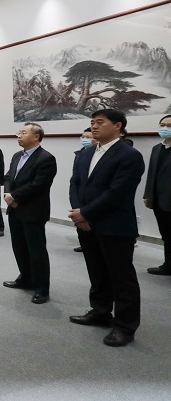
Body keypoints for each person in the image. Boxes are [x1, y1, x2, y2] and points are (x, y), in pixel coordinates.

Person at [69, 109, 145, 347]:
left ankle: (125, 327)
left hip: (114, 225)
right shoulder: (86, 153)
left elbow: (118, 192)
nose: (94, 126)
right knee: (97, 271)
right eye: (92, 122)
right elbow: (75, 182)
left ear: (118, 125)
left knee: (121, 277)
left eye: (100, 122)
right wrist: (79, 213)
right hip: (86, 224)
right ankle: (100, 312)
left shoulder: (129, 155)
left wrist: (86, 213)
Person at [2, 122, 57, 304]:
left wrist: (15, 196)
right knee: (19, 247)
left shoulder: (46, 158)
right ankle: (25, 278)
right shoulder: (17, 155)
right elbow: (8, 177)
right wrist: (8, 194)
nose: (18, 136)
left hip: (33, 210)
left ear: (36, 137)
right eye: (18, 132)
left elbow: (39, 184)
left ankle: (41, 288)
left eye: (23, 133)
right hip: (15, 208)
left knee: (36, 251)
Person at [142, 114, 171, 275]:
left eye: (169, 126)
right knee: (166, 234)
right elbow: (151, 173)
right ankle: (168, 265)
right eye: (162, 125)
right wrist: (148, 194)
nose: (165, 128)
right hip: (159, 199)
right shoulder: (157, 148)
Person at [73, 128, 94, 253]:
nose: (85, 139)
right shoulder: (80, 154)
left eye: (88, 137)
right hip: (80, 198)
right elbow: (74, 181)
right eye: (83, 136)